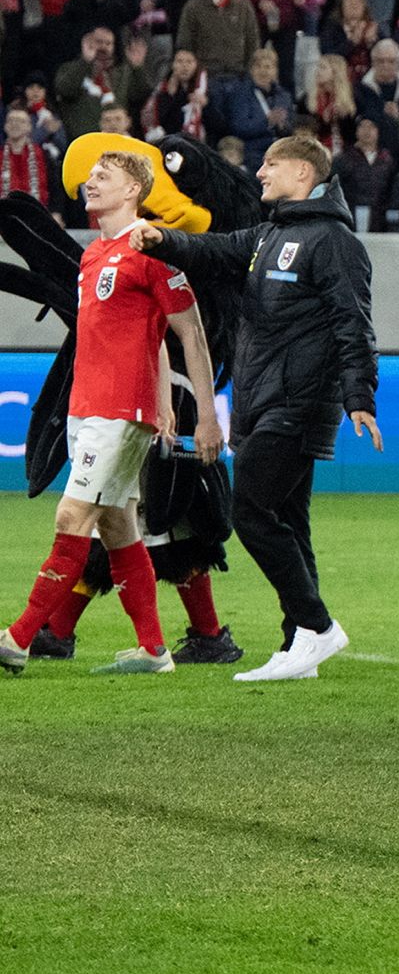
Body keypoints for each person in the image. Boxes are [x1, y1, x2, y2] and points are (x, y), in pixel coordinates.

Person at [139, 134, 379, 684]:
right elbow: (213, 249)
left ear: (303, 173)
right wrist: (161, 238)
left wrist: (359, 396)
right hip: (263, 399)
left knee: (249, 511)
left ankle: (317, 626)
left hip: (298, 401)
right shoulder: (269, 235)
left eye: (271, 163)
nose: (260, 172)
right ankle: (299, 644)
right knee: (290, 522)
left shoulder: (334, 241)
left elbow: (354, 323)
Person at [2, 145, 217, 677]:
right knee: (119, 527)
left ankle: (17, 639)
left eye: (104, 175)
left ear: (133, 190)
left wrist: (206, 416)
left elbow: (190, 333)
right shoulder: (94, 255)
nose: (90, 182)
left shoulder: (153, 249)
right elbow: (149, 337)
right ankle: (153, 650)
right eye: (91, 175)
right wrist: (163, 402)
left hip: (119, 412)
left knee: (71, 517)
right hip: (87, 406)